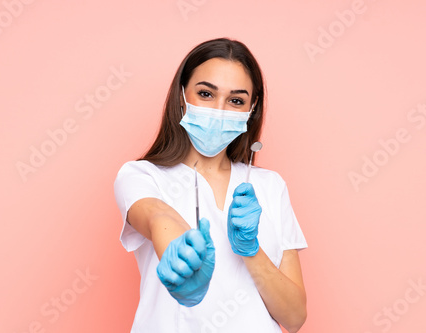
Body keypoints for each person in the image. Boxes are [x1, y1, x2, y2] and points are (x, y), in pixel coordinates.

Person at [114, 38, 308, 333]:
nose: (219, 111)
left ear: (251, 109)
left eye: (236, 100)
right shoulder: (142, 175)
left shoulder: (270, 186)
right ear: (182, 95)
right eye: (205, 93)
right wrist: (184, 263)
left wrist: (250, 249)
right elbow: (158, 217)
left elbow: (294, 318)